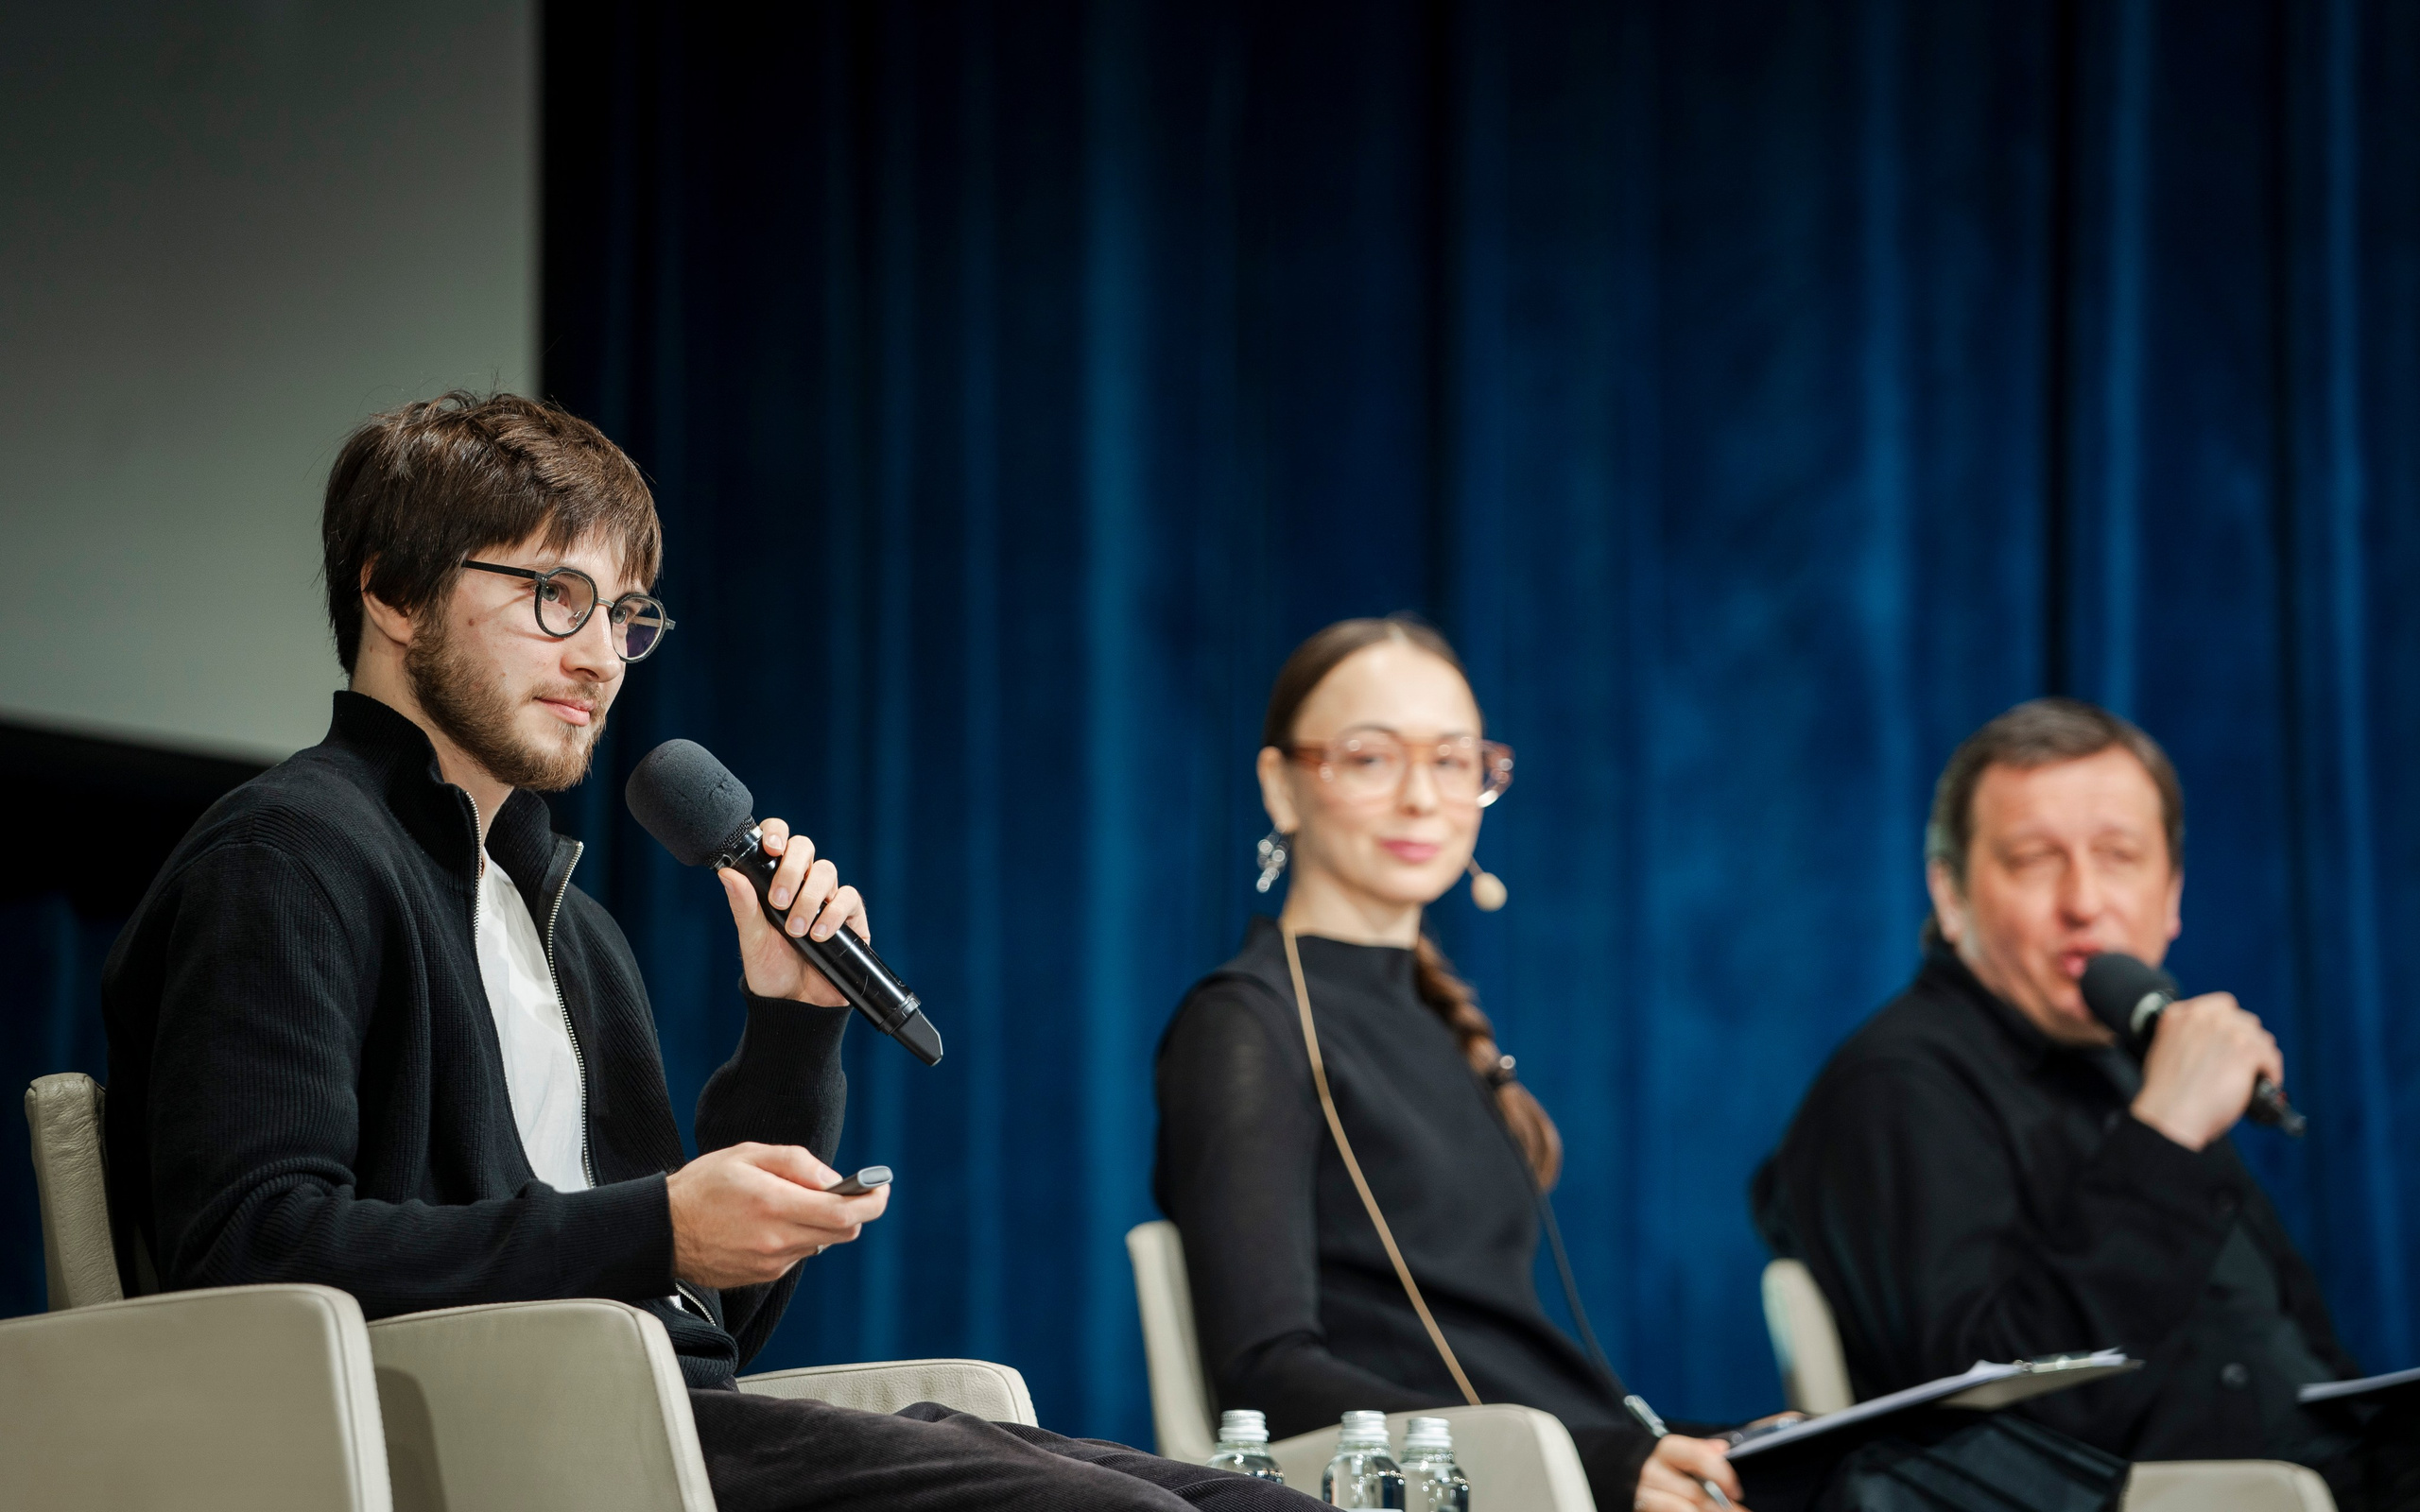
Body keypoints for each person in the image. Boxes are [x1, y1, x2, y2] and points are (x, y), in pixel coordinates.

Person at [100, 392, 1316, 1512]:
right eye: (553, 596)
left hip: (664, 1414)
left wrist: (792, 1026)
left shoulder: (568, 922)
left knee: (1256, 1503)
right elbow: (251, 1250)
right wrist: (656, 1227)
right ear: (394, 594)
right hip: (484, 1442)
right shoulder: (285, 857)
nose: (598, 657)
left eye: (625, 616)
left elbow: (704, 1315)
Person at [1753, 697, 2417, 1510]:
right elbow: (1993, 1416)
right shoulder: (1895, 1085)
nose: (2084, 900)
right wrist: (2165, 1135)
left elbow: (2306, 1364)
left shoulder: (2131, 1063)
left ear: (2171, 896)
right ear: (1951, 896)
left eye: (2119, 856)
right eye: (2035, 860)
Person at [1154, 617, 1751, 1512]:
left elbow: (1499, 1358)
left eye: (1451, 761)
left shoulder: (1434, 1016)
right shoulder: (1247, 1024)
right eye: (1370, 758)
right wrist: (1598, 1463)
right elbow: (1264, 1372)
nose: (1422, 798)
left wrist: (1670, 1448)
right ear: (1282, 786)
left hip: (1573, 1460)